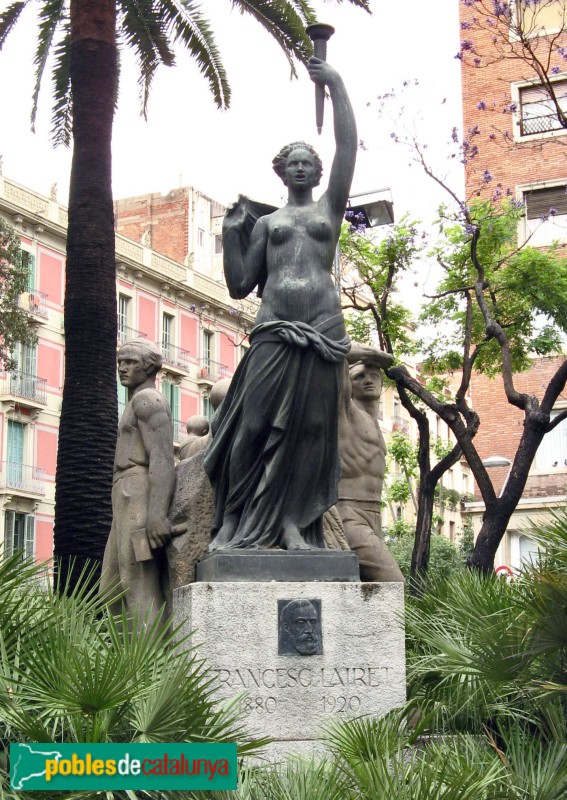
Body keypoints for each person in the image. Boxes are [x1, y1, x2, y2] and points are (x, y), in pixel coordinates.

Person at [204, 57, 356, 551]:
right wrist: (231, 237)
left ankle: (293, 522)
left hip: (325, 329)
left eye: (308, 161)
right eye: (293, 162)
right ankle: (232, 519)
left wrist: (335, 85)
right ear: (281, 171)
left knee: (312, 430)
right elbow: (239, 284)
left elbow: (348, 146)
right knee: (251, 425)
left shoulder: (330, 208)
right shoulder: (268, 225)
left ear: (318, 171)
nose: (301, 166)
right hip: (273, 328)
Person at [100, 338, 175, 626]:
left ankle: (152, 652)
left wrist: (156, 514)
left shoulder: (148, 400)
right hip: (125, 493)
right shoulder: (134, 402)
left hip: (138, 493)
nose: (122, 367)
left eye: (130, 362)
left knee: (137, 583)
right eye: (120, 362)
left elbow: (162, 458)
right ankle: (127, 651)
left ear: (149, 367)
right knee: (110, 590)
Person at [337, 344, 405, 582]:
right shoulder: (345, 414)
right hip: (348, 513)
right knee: (393, 582)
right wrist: (374, 355)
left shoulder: (377, 425)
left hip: (374, 515)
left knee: (364, 588)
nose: (368, 380)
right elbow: (335, 354)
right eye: (359, 376)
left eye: (374, 375)